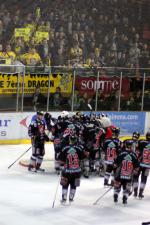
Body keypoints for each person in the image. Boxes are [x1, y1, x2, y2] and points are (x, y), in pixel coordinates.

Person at [59, 134, 87, 204]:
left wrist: (62, 166)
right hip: (77, 171)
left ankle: (64, 199)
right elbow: (83, 158)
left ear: (69, 140)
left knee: (64, 185)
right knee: (74, 185)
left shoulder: (65, 148)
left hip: (66, 171)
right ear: (76, 140)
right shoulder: (79, 148)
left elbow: (61, 160)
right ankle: (71, 198)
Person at [113, 140, 139, 205]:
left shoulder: (120, 153)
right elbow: (137, 166)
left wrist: (115, 169)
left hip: (119, 174)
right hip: (129, 175)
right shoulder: (134, 155)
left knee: (117, 187)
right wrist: (135, 171)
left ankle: (115, 197)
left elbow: (115, 164)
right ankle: (124, 199)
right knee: (126, 188)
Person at [132, 131, 150, 199]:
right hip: (148, 166)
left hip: (139, 164)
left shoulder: (141, 142)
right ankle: (140, 194)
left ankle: (135, 192)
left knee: (135, 177)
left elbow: (137, 152)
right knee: (144, 179)